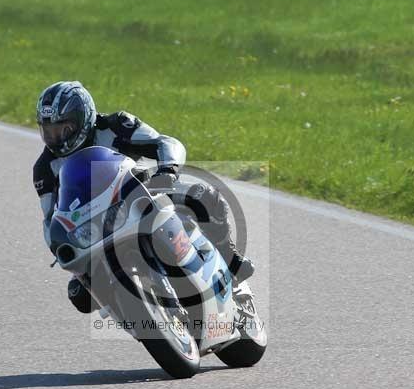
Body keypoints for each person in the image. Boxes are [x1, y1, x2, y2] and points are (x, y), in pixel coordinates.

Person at [32, 80, 254, 313]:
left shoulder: (116, 125)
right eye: (48, 130)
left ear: (83, 118)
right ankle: (128, 311)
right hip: (95, 229)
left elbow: (165, 142)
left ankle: (230, 262)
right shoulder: (45, 168)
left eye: (63, 128)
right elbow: (49, 219)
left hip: (141, 196)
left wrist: (167, 170)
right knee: (79, 296)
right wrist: (59, 243)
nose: (57, 137)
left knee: (203, 196)